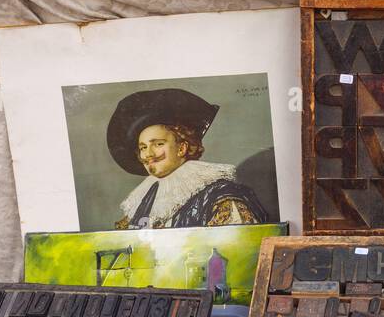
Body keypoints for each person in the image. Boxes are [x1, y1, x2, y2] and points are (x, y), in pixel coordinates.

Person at [106, 88, 269, 229]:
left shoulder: (219, 196)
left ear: (182, 148)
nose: (148, 154)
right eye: (143, 147)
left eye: (158, 144)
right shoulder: (142, 202)